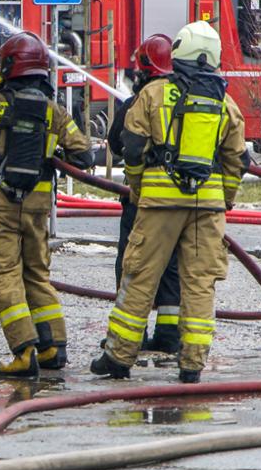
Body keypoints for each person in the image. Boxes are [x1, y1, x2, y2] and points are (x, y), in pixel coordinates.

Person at [91, 21, 248, 384]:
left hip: (159, 205)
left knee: (140, 277)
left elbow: (132, 147)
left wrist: (139, 188)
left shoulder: (153, 94)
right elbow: (236, 161)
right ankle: (191, 364)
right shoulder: (224, 102)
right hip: (206, 209)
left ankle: (118, 357)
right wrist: (223, 201)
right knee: (199, 284)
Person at [0, 32, 95, 378]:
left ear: (10, 67)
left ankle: (23, 352)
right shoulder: (55, 112)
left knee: (4, 276)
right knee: (36, 274)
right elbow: (85, 154)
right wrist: (52, 154)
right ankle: (52, 347)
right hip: (35, 210)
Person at [107, 34, 184, 355]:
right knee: (171, 267)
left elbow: (118, 144)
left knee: (132, 267)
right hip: (184, 200)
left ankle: (130, 338)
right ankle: (168, 336)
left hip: (144, 201)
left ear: (143, 69)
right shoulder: (191, 96)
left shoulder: (136, 102)